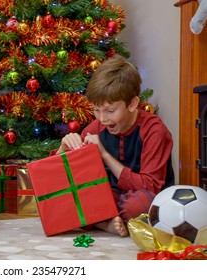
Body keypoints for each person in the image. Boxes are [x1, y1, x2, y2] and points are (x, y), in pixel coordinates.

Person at [56, 56, 175, 237]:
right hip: (109, 195)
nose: (102, 119)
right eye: (96, 110)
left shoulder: (154, 131)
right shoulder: (97, 127)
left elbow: (150, 186)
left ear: (133, 104)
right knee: (67, 201)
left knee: (138, 206)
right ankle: (105, 223)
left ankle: (100, 219)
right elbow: (58, 180)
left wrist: (104, 154)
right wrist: (63, 149)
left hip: (143, 197)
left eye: (110, 111)